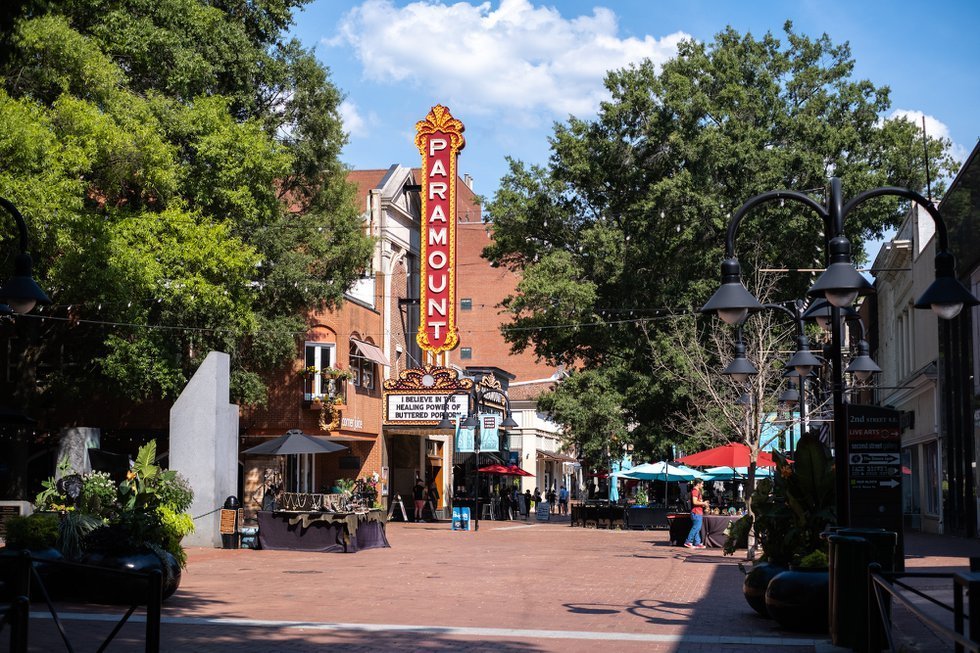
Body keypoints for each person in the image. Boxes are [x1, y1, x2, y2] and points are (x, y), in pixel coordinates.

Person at [684, 478, 709, 549]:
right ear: (698, 484)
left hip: (697, 512)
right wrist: (703, 503)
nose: (703, 485)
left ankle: (697, 543)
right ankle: (688, 541)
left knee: (697, 528)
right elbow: (694, 502)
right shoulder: (695, 491)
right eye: (702, 484)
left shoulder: (697, 491)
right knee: (696, 528)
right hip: (696, 512)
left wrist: (703, 503)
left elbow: (697, 502)